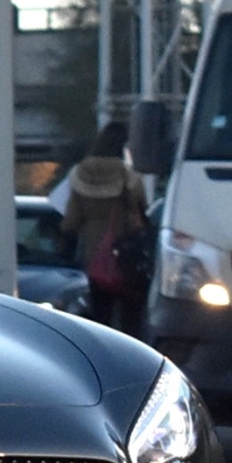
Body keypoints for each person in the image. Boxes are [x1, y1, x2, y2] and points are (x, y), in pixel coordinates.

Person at [62, 122, 146, 331]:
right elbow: (142, 209)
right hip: (126, 253)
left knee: (100, 312)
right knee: (131, 314)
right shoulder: (128, 177)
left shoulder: (80, 174)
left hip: (94, 255)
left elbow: (71, 221)